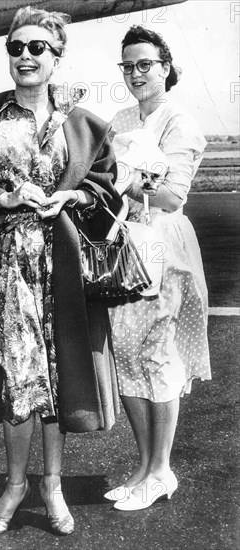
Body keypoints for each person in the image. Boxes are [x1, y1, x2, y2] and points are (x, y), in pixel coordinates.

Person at [0, 6, 122, 537]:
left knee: (59, 372)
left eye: (36, 47)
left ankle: (53, 485)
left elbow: (107, 183)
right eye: (16, 48)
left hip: (62, 266)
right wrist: (3, 195)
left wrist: (73, 193)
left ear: (56, 56)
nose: (24, 56)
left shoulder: (83, 123)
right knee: (19, 375)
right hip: (7, 267)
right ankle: (16, 484)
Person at [105, 25, 211, 511]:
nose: (135, 74)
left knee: (159, 355)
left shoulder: (180, 122)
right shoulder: (122, 116)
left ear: (165, 67)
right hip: (124, 245)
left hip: (162, 245)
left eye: (144, 64)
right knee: (126, 353)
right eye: (127, 66)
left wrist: (121, 181)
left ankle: (163, 469)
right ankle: (145, 467)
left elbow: (172, 195)